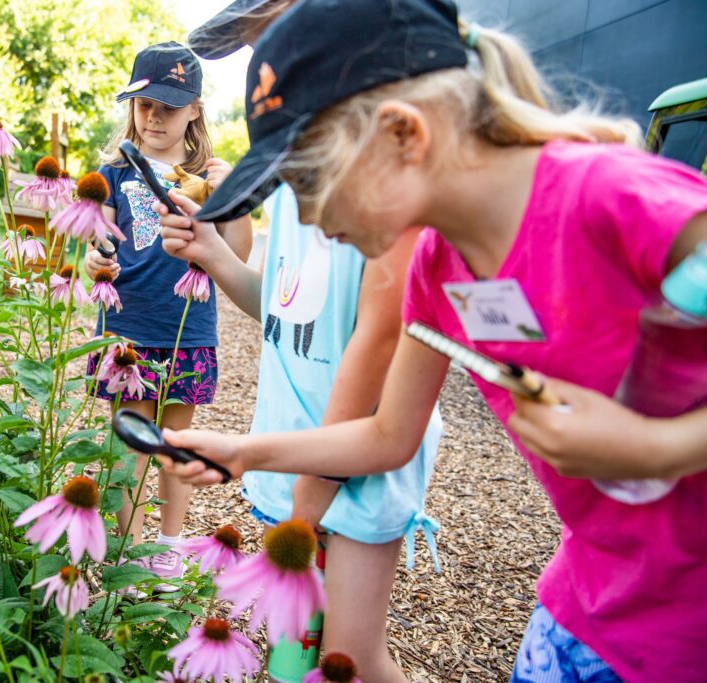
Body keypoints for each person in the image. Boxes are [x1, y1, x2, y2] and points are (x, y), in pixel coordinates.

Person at [155, 1, 707, 681]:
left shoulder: (611, 197)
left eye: (307, 183)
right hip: (590, 604)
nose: (303, 216)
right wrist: (244, 451)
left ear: (402, 135)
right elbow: (389, 434)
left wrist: (654, 446)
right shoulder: (437, 267)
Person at [158, 3, 442, 681]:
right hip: (289, 453)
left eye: (273, 43)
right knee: (292, 646)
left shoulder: (378, 184)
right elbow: (288, 313)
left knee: (349, 652)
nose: (265, 70)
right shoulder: (291, 183)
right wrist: (216, 255)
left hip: (355, 460)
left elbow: (375, 345)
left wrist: (309, 503)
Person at [84, 41, 252, 590]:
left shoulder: (208, 177)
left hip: (188, 325)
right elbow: (101, 243)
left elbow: (239, 253)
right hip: (130, 325)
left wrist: (235, 199)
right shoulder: (113, 172)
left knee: (176, 446)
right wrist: (94, 258)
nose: (154, 117)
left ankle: (170, 547)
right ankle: (129, 552)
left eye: (168, 107)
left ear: (195, 110)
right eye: (144, 105)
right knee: (132, 446)